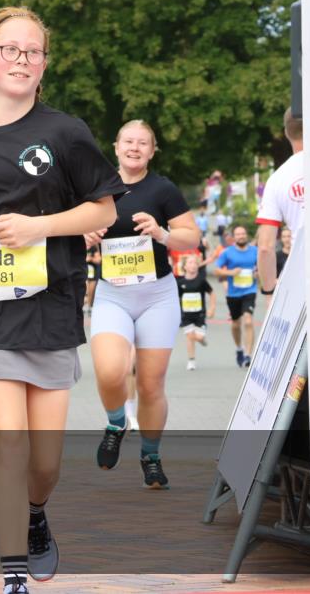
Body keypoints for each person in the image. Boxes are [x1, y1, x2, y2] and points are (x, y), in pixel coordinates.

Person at [0, 7, 125, 593]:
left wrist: (40, 228)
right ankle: (13, 576)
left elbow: (103, 209)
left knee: (45, 463)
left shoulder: (66, 131)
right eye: (10, 50)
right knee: (9, 440)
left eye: (32, 52)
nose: (21, 60)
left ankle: (37, 514)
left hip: (52, 304)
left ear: (43, 65)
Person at [85, 119, 200, 491]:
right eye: (128, 142)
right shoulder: (97, 187)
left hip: (156, 296)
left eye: (143, 143)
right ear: (116, 147)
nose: (135, 148)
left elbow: (191, 239)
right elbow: (69, 230)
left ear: (152, 151)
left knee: (151, 385)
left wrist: (162, 233)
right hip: (113, 294)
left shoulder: (162, 189)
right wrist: (85, 234)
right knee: (108, 371)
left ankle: (150, 455)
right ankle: (117, 422)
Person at [257, 108, 304, 301]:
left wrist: (269, 287)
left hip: (303, 276)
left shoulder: (278, 179)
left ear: (286, 132)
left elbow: (266, 246)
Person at [215, 225, 259, 368]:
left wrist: (258, 274)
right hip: (233, 293)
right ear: (234, 237)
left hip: (249, 291)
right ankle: (239, 348)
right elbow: (217, 271)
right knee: (235, 324)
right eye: (238, 234)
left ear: (247, 235)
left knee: (247, 320)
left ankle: (248, 355)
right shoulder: (228, 253)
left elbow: (262, 267)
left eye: (243, 233)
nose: (241, 236)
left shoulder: (255, 251)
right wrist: (230, 273)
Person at [177, 255, 216, 371]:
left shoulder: (201, 280)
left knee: (198, 337)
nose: (193, 265)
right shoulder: (180, 282)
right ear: (184, 266)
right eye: (190, 263)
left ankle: (202, 340)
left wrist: (212, 308)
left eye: (195, 263)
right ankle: (191, 360)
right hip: (186, 315)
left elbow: (212, 293)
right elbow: (175, 298)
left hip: (200, 315)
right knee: (189, 336)